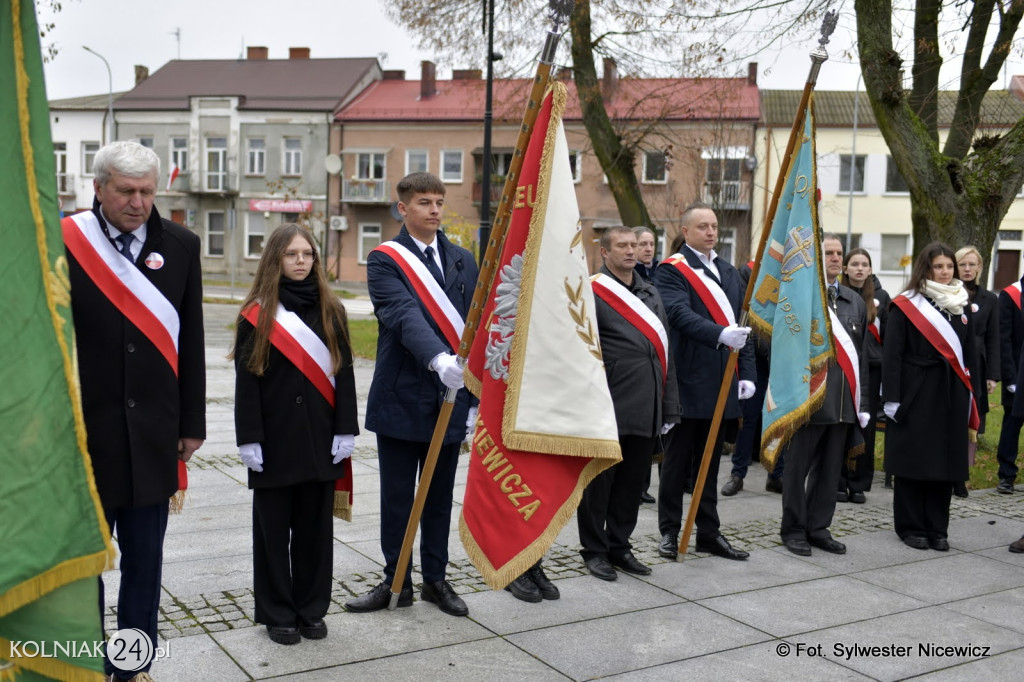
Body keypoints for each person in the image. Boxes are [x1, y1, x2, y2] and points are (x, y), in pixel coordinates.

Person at [62, 141, 205, 680]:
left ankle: (132, 667)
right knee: (85, 564)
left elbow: (189, 339)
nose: (139, 202)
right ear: (98, 189)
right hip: (83, 435)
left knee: (145, 564)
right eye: (126, 191)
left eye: (147, 191)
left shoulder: (183, 245)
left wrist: (192, 424)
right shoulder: (67, 242)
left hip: (153, 436)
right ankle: (85, 661)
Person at [345, 172, 479, 616]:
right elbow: (402, 314)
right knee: (399, 497)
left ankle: (436, 580)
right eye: (424, 202)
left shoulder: (462, 259)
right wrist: (438, 359)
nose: (435, 210)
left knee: (439, 496)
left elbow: (476, 327)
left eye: (439, 201)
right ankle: (394, 580)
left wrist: (476, 395)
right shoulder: (384, 260)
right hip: (403, 394)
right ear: (402, 209)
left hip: (451, 399)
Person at [232, 224, 358, 645]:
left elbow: (344, 372)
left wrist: (346, 429)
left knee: (314, 534)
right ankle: (277, 612)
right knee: (272, 534)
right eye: (291, 254)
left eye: (308, 253)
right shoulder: (257, 312)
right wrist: (249, 436)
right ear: (275, 260)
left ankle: (310, 609)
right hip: (274, 441)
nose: (301, 261)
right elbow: (247, 379)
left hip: (322, 441)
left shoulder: (331, 309)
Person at [575, 226, 680, 581]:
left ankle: (620, 544)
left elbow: (666, 354)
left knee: (633, 484)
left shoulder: (650, 291)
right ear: (605, 253)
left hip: (646, 406)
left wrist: (669, 407)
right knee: (599, 484)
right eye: (622, 246)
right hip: (608, 405)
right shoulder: (592, 291)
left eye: (634, 245)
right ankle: (594, 550)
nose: (631, 251)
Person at [654, 202, 754, 562]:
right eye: (703, 226)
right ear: (685, 231)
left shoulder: (729, 272)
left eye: (714, 226)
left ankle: (708, 533)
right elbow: (679, 314)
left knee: (710, 464)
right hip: (687, 380)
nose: (711, 232)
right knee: (677, 463)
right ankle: (669, 531)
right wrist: (720, 334)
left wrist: (749, 374)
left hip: (723, 381)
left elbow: (744, 327)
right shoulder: (671, 271)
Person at [883, 242, 978, 552]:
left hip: (951, 392)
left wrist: (975, 396)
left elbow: (970, 355)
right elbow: (893, 354)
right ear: (926, 268)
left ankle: (938, 527)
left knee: (944, 462)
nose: (945, 272)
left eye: (949, 267)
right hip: (915, 391)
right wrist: (892, 397)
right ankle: (910, 526)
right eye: (939, 267)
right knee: (915, 459)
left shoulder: (961, 304)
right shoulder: (906, 304)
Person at [779, 235, 869, 556]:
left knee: (830, 472)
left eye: (838, 253)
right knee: (796, 470)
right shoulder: (799, 297)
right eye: (827, 252)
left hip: (843, 402)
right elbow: (781, 349)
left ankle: (818, 528)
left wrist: (865, 403)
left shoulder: (853, 301)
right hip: (808, 400)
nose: (834, 258)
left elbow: (861, 358)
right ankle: (793, 529)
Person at [722, 260, 784, 497]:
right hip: (754, 362)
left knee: (779, 417)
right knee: (748, 420)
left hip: (778, 360)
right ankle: (738, 473)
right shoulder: (747, 272)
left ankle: (776, 474)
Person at [837, 247, 890, 503]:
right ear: (846, 268)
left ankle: (858, 483)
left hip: (871, 371)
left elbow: (889, 338)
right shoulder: (834, 294)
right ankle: (838, 480)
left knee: (865, 427)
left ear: (870, 269)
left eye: (864, 264)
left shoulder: (882, 297)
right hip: (842, 368)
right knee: (840, 424)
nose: (859, 268)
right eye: (854, 264)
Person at [954, 246, 999, 497]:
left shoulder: (990, 299)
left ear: (980, 267)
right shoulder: (946, 294)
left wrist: (993, 374)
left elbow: (994, 339)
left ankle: (962, 477)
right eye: (963, 265)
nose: (968, 269)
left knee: (970, 423)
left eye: (972, 265)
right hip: (951, 364)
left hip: (977, 368)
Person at [634, 225, 660, 504]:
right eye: (642, 244)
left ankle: (645, 484)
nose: (647, 248)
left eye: (651, 243)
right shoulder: (631, 277)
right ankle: (637, 485)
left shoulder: (660, 273)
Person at [995, 274, 1024, 494]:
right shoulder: (1011, 294)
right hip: (1017, 375)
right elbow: (1003, 340)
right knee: (1011, 427)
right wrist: (1010, 378)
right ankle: (1006, 474)